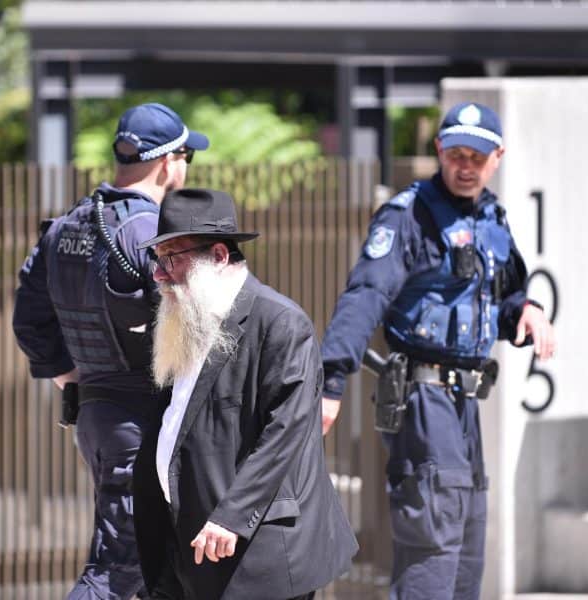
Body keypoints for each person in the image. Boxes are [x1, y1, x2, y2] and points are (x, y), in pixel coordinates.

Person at [319, 102, 557, 599]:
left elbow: (504, 296)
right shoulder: (409, 215)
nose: (466, 166)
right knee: (433, 540)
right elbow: (366, 295)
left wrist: (527, 310)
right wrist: (331, 381)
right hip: (423, 399)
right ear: (439, 152)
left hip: (464, 403)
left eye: (477, 156)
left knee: (468, 541)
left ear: (498, 158)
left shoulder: (491, 215)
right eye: (456, 154)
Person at [12, 102, 208, 599]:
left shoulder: (66, 226)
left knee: (154, 567)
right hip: (140, 419)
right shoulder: (149, 232)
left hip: (99, 415)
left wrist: (74, 379)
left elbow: (29, 319)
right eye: (187, 155)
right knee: (119, 568)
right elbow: (197, 328)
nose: (186, 168)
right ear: (168, 162)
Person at [132, 188, 358, 600]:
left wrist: (232, 517)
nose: (160, 274)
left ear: (219, 255)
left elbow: (286, 432)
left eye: (173, 259)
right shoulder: (183, 319)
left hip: (254, 554)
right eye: (158, 260)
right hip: (184, 547)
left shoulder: (281, 324)